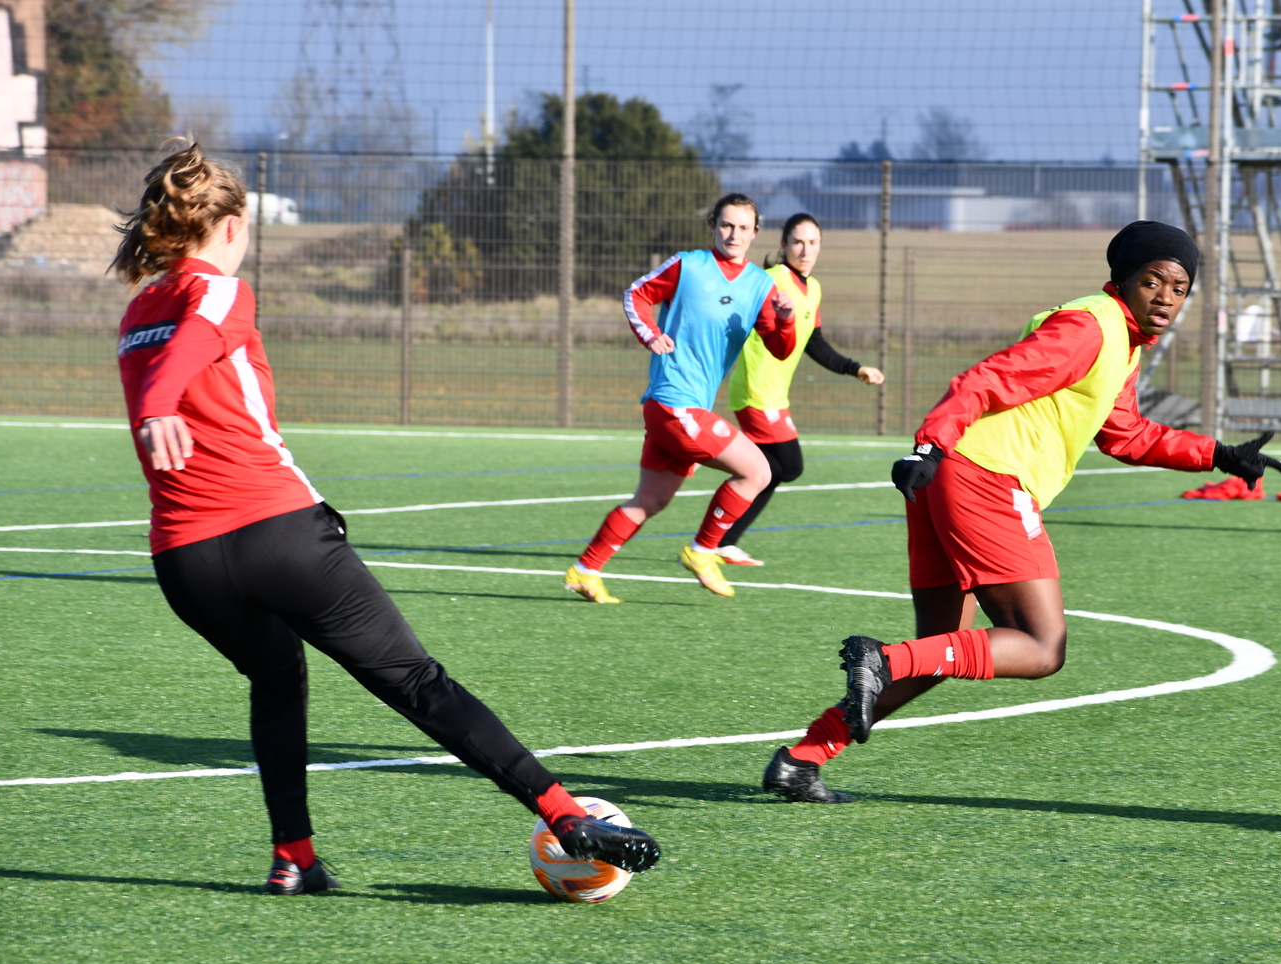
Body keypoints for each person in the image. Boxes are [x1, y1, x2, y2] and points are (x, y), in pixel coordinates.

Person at [111, 141, 660, 893]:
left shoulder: (137, 310)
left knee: (276, 680)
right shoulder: (222, 291)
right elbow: (196, 343)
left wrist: (153, 404)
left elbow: (174, 357)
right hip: (278, 534)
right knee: (418, 682)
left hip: (186, 562)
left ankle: (293, 858)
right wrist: (156, 406)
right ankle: (567, 815)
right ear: (232, 227)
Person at [761, 220, 1281, 802]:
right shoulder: (1091, 328)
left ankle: (802, 759)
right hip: (984, 480)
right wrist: (929, 442)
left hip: (952, 478)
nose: (1166, 297)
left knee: (945, 649)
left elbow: (1125, 434)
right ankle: (880, 659)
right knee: (1041, 646)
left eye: (1179, 288)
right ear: (1124, 279)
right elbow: (986, 379)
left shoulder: (1120, 338)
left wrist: (1216, 453)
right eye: (1153, 281)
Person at [563, 193, 797, 602]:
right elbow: (635, 294)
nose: (734, 234)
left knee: (649, 501)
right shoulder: (689, 265)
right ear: (712, 225)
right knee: (758, 471)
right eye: (726, 225)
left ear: (755, 233)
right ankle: (703, 551)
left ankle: (585, 570)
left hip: (685, 408)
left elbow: (779, 348)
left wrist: (785, 318)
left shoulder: (762, 286)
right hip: (673, 403)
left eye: (743, 228)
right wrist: (651, 335)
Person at [714, 213, 885, 567]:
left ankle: (722, 538)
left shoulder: (814, 288)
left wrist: (856, 369)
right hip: (755, 391)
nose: (805, 250)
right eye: (798, 242)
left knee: (772, 470)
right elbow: (731, 311)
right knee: (785, 467)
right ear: (783, 246)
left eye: (812, 242)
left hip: (776, 395)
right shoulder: (770, 280)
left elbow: (815, 343)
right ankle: (718, 533)